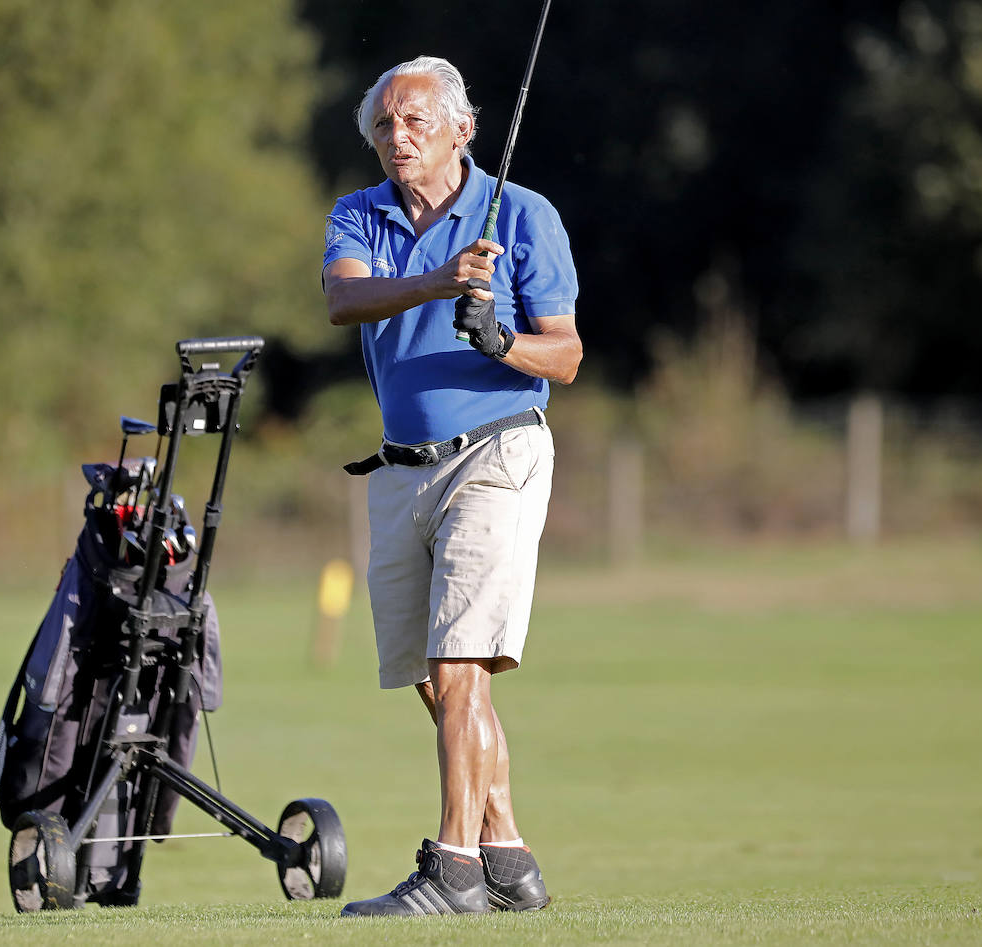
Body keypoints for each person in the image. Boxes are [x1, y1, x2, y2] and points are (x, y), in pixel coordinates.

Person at [321, 55, 583, 917]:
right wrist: (438, 283)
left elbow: (568, 356)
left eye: (415, 122)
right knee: (433, 681)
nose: (397, 137)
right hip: (400, 466)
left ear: (463, 130)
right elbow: (342, 301)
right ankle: (508, 856)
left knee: (458, 660)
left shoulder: (526, 216)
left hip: (497, 454)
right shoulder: (359, 214)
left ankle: (456, 870)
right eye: (385, 125)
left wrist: (498, 340)